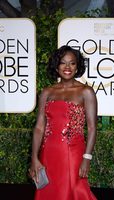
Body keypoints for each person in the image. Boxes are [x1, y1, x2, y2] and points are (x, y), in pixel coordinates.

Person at [29, 45, 98, 200]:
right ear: (56, 65)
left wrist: (87, 158)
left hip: (74, 154)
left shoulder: (86, 92)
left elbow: (92, 128)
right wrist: (34, 157)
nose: (67, 67)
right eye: (63, 62)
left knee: (75, 190)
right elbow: (40, 127)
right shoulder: (47, 92)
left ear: (77, 66)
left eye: (72, 63)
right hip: (48, 154)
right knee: (49, 192)